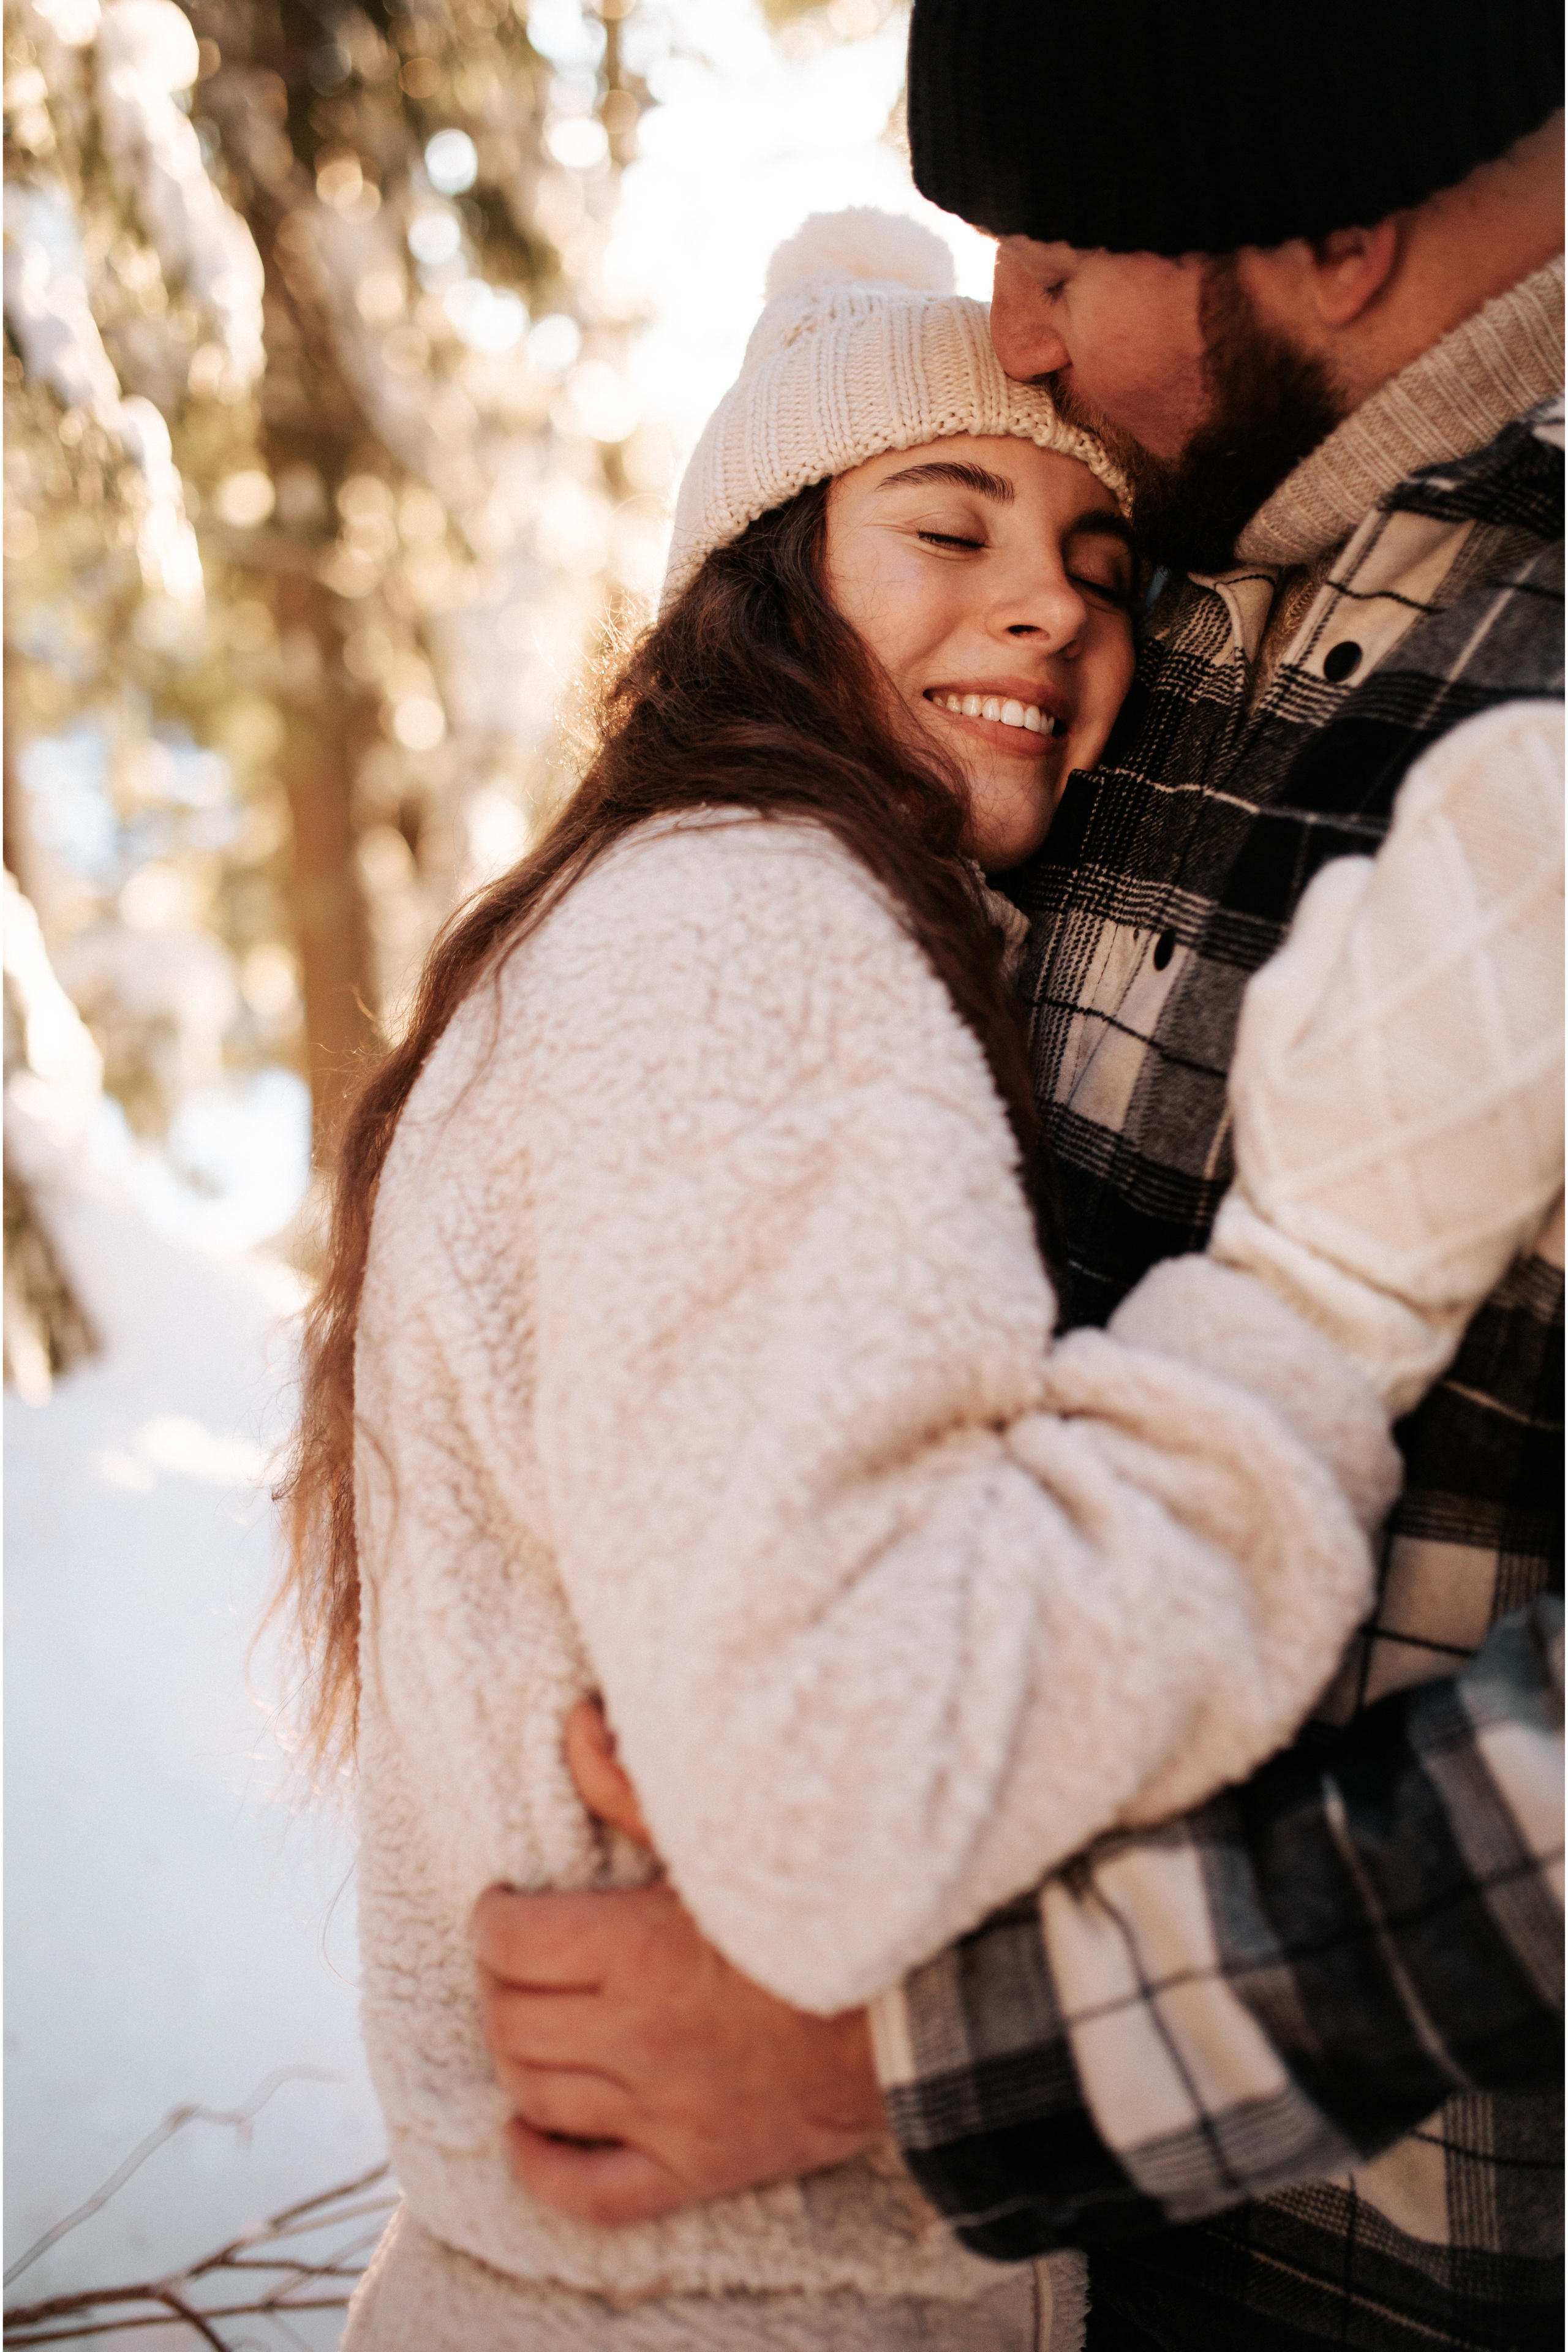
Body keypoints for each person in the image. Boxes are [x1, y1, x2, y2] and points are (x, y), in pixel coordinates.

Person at [277, 208, 1544, 2351]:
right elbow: (855, 1806)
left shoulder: (727, 918)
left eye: (1093, 560)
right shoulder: (758, 949)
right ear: (762, 581)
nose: (1049, 598)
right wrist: (1314, 1305)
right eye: (946, 526)